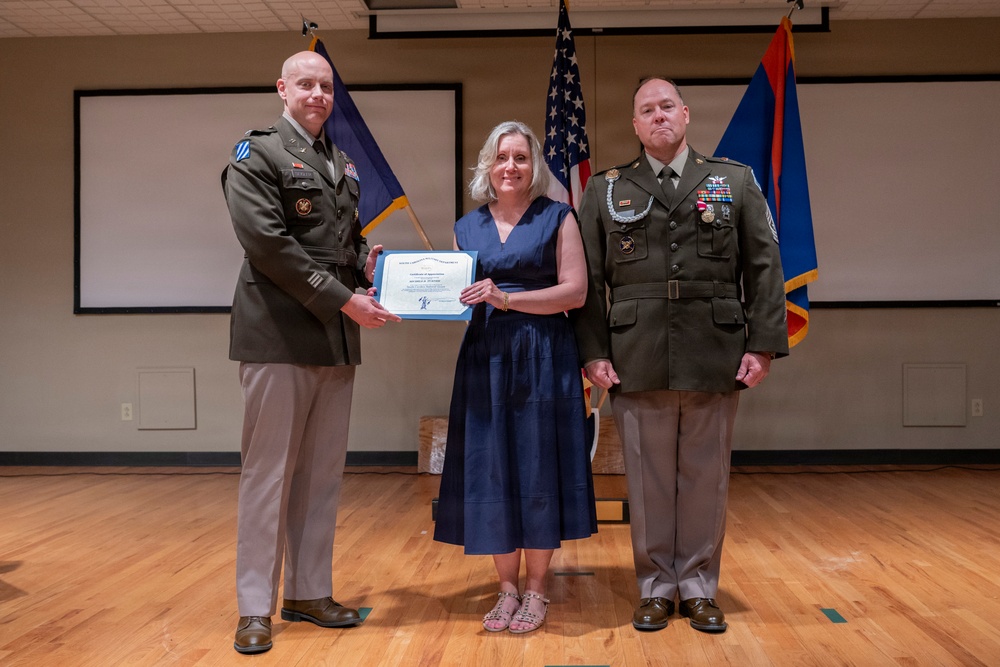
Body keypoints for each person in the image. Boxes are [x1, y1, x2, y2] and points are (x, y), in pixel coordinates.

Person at [573, 77, 789, 634]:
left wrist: (762, 344)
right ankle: (653, 587)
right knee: (645, 479)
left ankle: (695, 586)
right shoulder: (605, 189)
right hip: (635, 351)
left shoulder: (732, 181)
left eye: (667, 106)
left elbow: (764, 267)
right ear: (636, 125)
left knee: (705, 477)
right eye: (647, 109)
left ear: (686, 114)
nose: (659, 116)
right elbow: (590, 280)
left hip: (713, 349)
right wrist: (593, 351)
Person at [222, 50, 401, 655]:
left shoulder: (342, 163)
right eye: (307, 84)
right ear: (282, 88)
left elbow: (342, 241)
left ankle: (306, 591)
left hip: (333, 337)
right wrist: (346, 299)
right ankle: (254, 608)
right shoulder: (258, 153)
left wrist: (368, 261)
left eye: (326, 86)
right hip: (278, 334)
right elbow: (268, 245)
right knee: (268, 475)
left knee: (321, 476)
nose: (319, 94)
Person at [434, 121, 598, 634]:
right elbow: (450, 294)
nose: (510, 166)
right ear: (487, 164)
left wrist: (507, 298)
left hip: (545, 355)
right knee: (492, 469)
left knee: (537, 467)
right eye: (501, 157)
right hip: (485, 357)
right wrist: (393, 281)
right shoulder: (465, 227)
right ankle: (506, 590)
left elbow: (575, 293)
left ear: (534, 167)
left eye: (521, 158)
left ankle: (537, 590)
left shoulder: (558, 217)